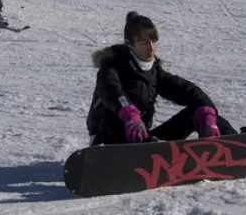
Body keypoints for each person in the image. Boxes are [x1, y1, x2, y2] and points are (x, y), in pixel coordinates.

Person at [87, 11, 237, 146]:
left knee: (198, 110)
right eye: (144, 42)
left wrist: (207, 114)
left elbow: (189, 91)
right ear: (129, 44)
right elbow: (110, 90)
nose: (151, 47)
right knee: (115, 116)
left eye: (154, 41)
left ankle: (238, 145)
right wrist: (129, 114)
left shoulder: (155, 73)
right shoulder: (111, 66)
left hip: (140, 142)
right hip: (106, 143)